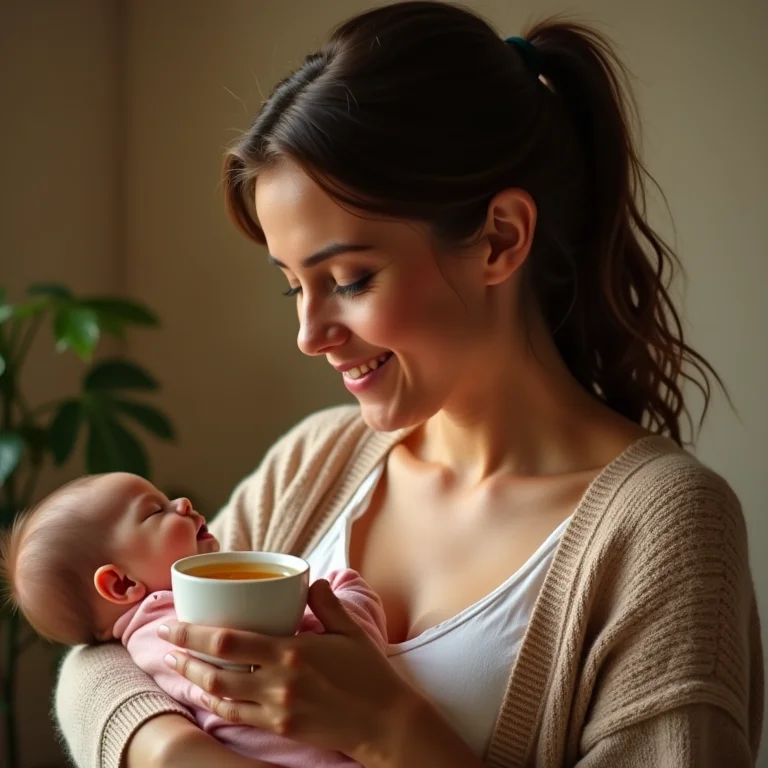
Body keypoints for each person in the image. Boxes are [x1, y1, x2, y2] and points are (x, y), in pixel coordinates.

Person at [54, 2, 763, 767]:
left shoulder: (663, 531)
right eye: (293, 286)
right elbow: (102, 647)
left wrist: (389, 729)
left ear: (500, 239)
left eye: (350, 279)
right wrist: (166, 751)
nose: (309, 333)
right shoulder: (314, 463)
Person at [0, 473, 387, 767]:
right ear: (121, 583)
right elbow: (314, 656)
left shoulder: (146, 641)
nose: (182, 502)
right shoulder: (176, 624)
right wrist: (352, 599)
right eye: (155, 511)